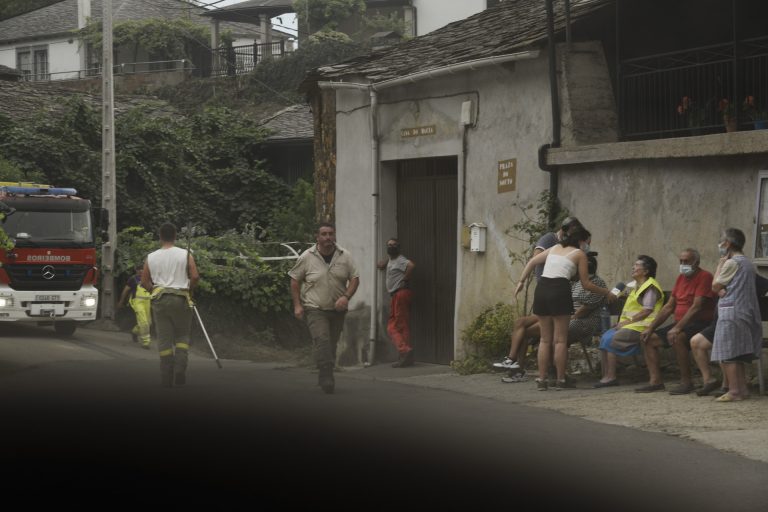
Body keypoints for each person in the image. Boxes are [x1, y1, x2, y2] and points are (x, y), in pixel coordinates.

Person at [514, 226, 615, 391]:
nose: (587, 245)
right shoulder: (579, 254)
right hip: (559, 289)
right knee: (560, 340)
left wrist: (521, 282)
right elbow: (586, 284)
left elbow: (533, 261)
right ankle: (561, 379)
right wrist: (606, 292)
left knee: (544, 340)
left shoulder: (554, 248)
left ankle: (542, 379)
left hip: (542, 289)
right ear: (581, 240)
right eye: (587, 242)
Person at [496, 253, 607, 383]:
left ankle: (524, 369)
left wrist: (563, 317)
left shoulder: (597, 283)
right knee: (521, 322)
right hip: (559, 313)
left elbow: (584, 310)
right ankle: (511, 359)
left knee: (527, 332)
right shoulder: (575, 282)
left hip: (578, 320)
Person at [289, 223, 360, 394]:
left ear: (334, 236)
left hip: (338, 309)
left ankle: (324, 371)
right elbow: (294, 280)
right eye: (324, 234)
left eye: (331, 234)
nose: (328, 237)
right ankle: (327, 376)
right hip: (315, 307)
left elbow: (355, 278)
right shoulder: (307, 257)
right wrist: (298, 305)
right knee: (322, 340)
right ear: (317, 237)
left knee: (332, 343)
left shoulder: (345, 256)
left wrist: (346, 297)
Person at [640, 249, 715, 395]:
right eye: (680, 261)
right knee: (648, 339)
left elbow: (696, 307)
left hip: (701, 322)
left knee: (677, 337)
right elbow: (669, 306)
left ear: (696, 262)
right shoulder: (681, 278)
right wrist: (650, 327)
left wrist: (677, 328)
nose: (682, 264)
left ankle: (686, 382)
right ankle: (655, 382)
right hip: (682, 322)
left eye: (686, 261)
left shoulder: (704, 276)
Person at [594, 255, 666, 392]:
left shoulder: (650, 287)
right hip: (630, 325)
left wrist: (626, 322)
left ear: (646, 271)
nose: (633, 267)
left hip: (643, 327)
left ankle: (611, 377)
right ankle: (606, 375)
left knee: (611, 339)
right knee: (605, 337)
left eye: (637, 265)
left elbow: (647, 311)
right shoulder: (634, 286)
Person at [140, 223, 199, 388]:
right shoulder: (185, 254)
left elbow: (144, 281)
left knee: (164, 339)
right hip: (181, 298)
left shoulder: (151, 257)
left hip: (160, 300)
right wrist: (189, 289)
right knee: (182, 336)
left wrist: (155, 290)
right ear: (175, 236)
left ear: (160, 237)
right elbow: (194, 276)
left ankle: (166, 376)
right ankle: (180, 369)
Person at [710, 228, 762, 402]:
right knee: (737, 353)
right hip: (743, 310)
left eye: (721, 240)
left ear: (728, 244)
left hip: (730, 312)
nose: (720, 244)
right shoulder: (747, 263)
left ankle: (734, 391)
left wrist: (719, 265)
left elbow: (715, 286)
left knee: (729, 354)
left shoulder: (731, 263)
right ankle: (742, 389)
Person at [377, 238, 416, 368]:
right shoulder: (392, 259)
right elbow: (391, 259)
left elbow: (411, 265)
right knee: (402, 326)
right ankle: (405, 357)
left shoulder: (400, 259)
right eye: (389, 245)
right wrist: (385, 262)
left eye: (394, 245)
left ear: (398, 247)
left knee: (393, 327)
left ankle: (404, 350)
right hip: (396, 295)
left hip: (400, 293)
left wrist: (405, 279)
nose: (391, 247)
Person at [531, 216, 582, 281]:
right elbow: (535, 259)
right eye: (573, 231)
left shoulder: (566, 244)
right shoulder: (549, 238)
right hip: (545, 282)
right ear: (565, 228)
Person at [117, 263, 153, 350]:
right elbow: (126, 290)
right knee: (143, 321)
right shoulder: (133, 279)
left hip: (147, 301)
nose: (141, 271)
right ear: (136, 270)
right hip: (137, 301)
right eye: (139, 269)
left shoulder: (149, 278)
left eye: (142, 269)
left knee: (148, 322)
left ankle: (134, 331)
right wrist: (121, 301)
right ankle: (146, 342)